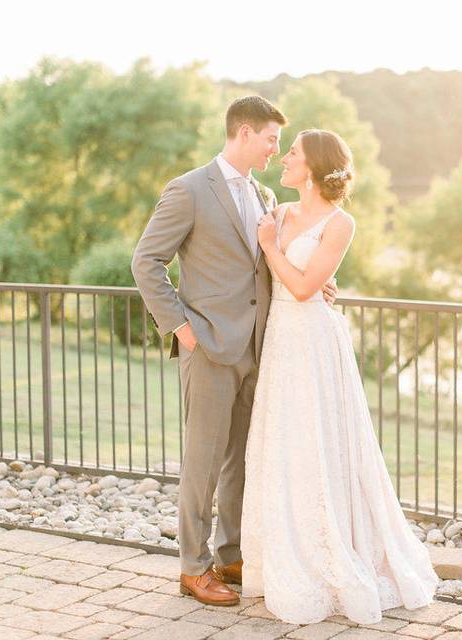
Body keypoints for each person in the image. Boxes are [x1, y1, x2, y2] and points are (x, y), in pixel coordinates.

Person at [131, 96, 337, 606]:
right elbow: (146, 261)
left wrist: (318, 286)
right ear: (244, 133)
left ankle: (230, 553)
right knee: (202, 461)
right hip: (209, 346)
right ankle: (193, 567)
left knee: (243, 460)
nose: (276, 150)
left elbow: (266, 265)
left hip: (260, 348)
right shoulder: (189, 190)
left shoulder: (267, 195)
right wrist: (181, 328)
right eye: (271, 139)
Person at [241, 129, 439, 624]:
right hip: (280, 340)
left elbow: (307, 288)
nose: (284, 159)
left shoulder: (339, 223)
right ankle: (285, 551)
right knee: (284, 441)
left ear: (312, 166)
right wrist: (274, 248)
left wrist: (271, 250)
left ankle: (337, 552)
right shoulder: (278, 213)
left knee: (322, 440)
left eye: (293, 154)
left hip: (314, 339)